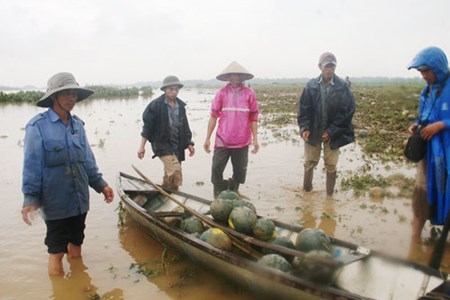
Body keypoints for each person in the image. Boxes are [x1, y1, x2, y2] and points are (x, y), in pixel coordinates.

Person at [21, 72, 114, 276]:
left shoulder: (77, 125)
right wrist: (30, 198)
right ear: (54, 97)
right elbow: (32, 165)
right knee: (56, 251)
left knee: (77, 242)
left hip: (79, 198)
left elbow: (88, 160)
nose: (72, 98)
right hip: (55, 201)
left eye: (74, 94)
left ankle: (78, 285)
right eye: (66, 94)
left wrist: (101, 185)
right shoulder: (37, 126)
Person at [407, 46, 450, 240]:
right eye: (420, 72)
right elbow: (424, 116)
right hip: (429, 154)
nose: (423, 75)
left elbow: (440, 120)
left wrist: (442, 124)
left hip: (447, 154)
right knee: (421, 196)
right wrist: (417, 125)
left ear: (438, 68)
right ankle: (414, 242)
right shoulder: (427, 91)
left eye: (426, 70)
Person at [297, 52, 355, 196]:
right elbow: (304, 109)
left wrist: (332, 131)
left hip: (334, 133)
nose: (330, 69)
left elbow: (346, 112)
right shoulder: (311, 86)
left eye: (332, 66)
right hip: (314, 130)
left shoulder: (342, 86)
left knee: (331, 164)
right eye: (327, 66)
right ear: (320, 67)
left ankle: (329, 197)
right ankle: (307, 192)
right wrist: (304, 128)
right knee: (309, 161)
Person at [203, 61, 259, 198]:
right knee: (216, 168)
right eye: (232, 75)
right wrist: (207, 138)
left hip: (242, 139)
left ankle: (234, 191)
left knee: (240, 171)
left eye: (237, 75)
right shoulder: (221, 93)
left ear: (242, 77)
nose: (235, 78)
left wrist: (256, 139)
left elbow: (254, 117)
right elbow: (213, 116)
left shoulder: (249, 94)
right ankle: (218, 195)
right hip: (223, 139)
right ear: (228, 77)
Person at [138, 75, 195, 190]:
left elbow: (185, 126)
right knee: (175, 170)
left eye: (176, 89)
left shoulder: (181, 106)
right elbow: (147, 128)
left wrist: (189, 143)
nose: (174, 92)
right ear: (164, 90)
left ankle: (167, 192)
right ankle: (171, 194)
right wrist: (141, 147)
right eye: (171, 89)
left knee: (170, 173)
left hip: (177, 144)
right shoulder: (155, 106)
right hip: (162, 144)